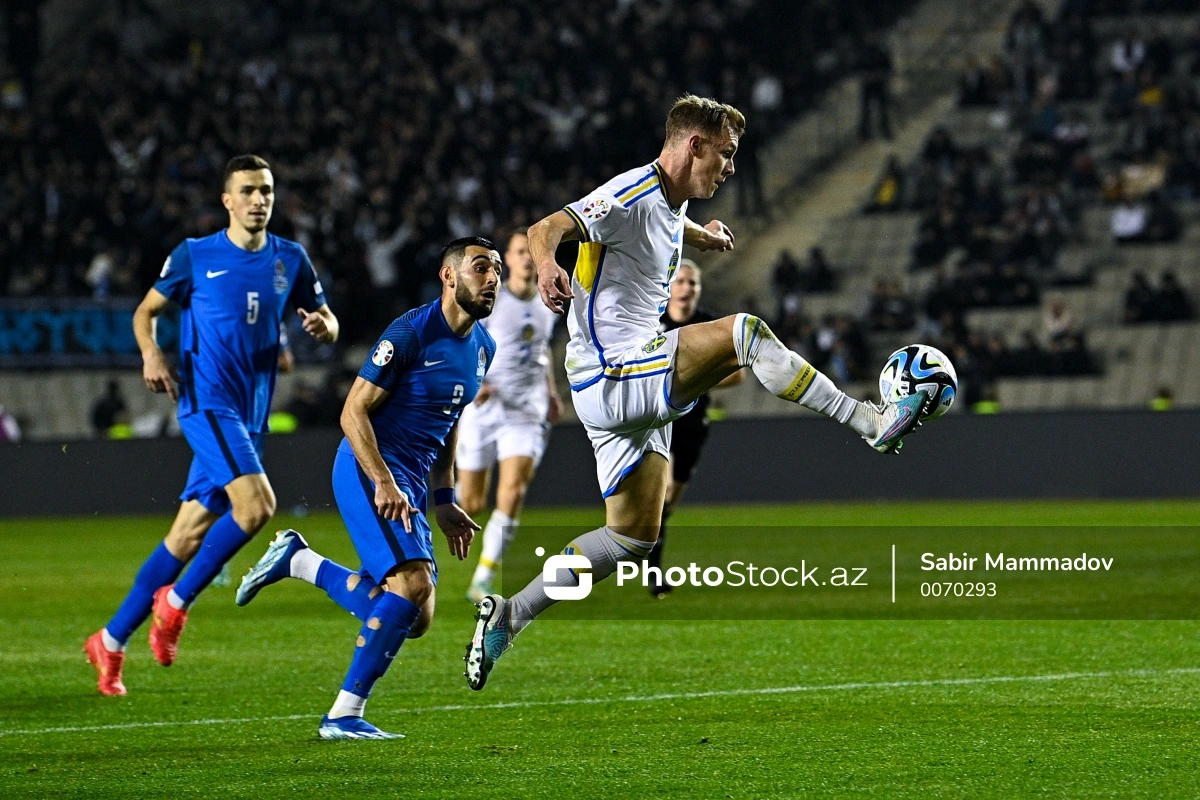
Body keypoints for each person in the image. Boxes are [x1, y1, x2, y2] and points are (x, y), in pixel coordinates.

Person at [464, 95, 928, 691]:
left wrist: (699, 235)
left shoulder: (664, 203)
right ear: (694, 146)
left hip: (620, 388)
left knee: (631, 538)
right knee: (744, 333)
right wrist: (551, 262)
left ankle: (509, 615)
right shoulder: (630, 193)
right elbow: (546, 227)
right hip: (613, 371)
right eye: (726, 155)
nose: (731, 168)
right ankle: (869, 421)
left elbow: (656, 221)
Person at [84, 155, 339, 696]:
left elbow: (327, 320)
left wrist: (323, 326)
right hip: (207, 403)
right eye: (247, 190)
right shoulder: (196, 255)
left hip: (250, 415)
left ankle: (109, 639)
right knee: (258, 506)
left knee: (186, 534)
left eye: (266, 190)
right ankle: (175, 604)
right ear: (228, 200)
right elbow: (144, 312)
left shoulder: (290, 259)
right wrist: (151, 354)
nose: (259, 199)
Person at [235, 237, 499, 740]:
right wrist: (383, 480)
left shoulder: (485, 347)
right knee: (413, 584)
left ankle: (299, 561)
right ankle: (342, 714)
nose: (492, 279)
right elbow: (352, 410)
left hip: (411, 481)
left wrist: (444, 501)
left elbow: (448, 428)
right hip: (368, 468)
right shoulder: (410, 333)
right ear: (449, 276)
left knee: (415, 615)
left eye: (497, 271)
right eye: (480, 267)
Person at [455, 229, 562, 603]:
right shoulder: (491, 300)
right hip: (484, 406)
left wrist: (550, 392)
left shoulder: (552, 298)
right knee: (470, 504)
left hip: (526, 410)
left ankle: (483, 577)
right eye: (520, 252)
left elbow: (541, 349)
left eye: (532, 250)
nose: (528, 257)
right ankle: (445, 495)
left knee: (513, 491)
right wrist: (473, 380)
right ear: (509, 260)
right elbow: (463, 339)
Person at [644, 259, 742, 596]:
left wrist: (692, 379)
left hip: (693, 421)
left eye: (693, 284)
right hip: (655, 420)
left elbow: (737, 374)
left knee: (670, 499)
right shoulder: (650, 321)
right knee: (662, 490)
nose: (687, 289)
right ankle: (652, 570)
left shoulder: (707, 325)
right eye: (681, 282)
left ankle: (646, 548)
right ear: (669, 286)